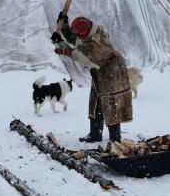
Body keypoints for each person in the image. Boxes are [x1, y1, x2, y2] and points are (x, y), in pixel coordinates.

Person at [52, 14, 133, 143]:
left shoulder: (96, 44)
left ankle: (115, 138)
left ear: (84, 32)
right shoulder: (91, 32)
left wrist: (60, 43)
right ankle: (95, 134)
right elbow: (76, 40)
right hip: (100, 70)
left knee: (111, 103)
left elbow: (79, 55)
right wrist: (65, 27)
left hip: (113, 71)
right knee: (96, 101)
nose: (77, 36)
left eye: (79, 33)